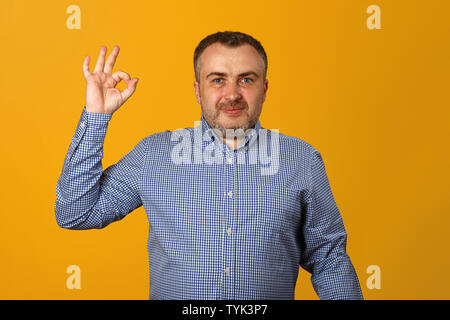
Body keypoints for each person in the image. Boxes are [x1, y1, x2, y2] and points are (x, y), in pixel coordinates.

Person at [55, 31, 363, 300]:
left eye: (246, 79)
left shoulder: (302, 160)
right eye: (218, 80)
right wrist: (96, 116)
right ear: (197, 89)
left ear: (265, 88)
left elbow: (328, 257)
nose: (232, 94)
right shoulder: (153, 154)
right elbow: (75, 212)